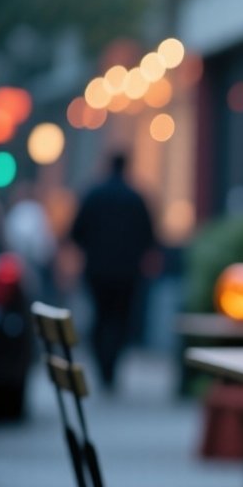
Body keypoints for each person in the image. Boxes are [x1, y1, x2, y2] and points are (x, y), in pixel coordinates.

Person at [70, 154, 157, 390]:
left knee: (100, 317)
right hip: (128, 272)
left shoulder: (93, 195)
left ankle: (103, 366)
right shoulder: (136, 198)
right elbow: (150, 236)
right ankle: (111, 367)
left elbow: (75, 232)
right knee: (121, 320)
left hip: (97, 270)